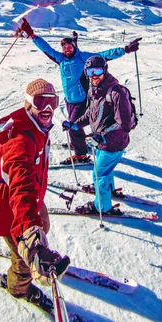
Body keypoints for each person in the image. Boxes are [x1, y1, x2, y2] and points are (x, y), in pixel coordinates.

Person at [0, 78, 70, 311]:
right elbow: (21, 186)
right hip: (12, 212)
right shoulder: (21, 140)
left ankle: (33, 244)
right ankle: (19, 287)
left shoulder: (37, 127)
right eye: (41, 101)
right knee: (24, 262)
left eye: (52, 102)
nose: (47, 109)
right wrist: (30, 238)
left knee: (43, 223)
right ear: (28, 103)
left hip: (33, 201)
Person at [17, 18, 140, 165]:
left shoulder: (83, 58)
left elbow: (105, 55)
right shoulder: (61, 59)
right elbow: (46, 48)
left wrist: (125, 50)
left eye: (70, 46)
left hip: (82, 100)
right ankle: (79, 143)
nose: (67, 49)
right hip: (70, 100)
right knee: (74, 125)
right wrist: (31, 34)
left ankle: (81, 154)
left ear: (74, 47)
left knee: (73, 126)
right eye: (65, 47)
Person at [62, 56, 133, 215]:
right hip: (101, 142)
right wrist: (74, 124)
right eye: (90, 71)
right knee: (105, 170)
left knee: (98, 173)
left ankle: (102, 207)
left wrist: (103, 136)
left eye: (98, 71)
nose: (94, 75)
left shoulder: (116, 92)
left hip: (113, 143)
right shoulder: (93, 90)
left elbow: (124, 125)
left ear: (105, 70)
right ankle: (109, 189)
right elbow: (90, 114)